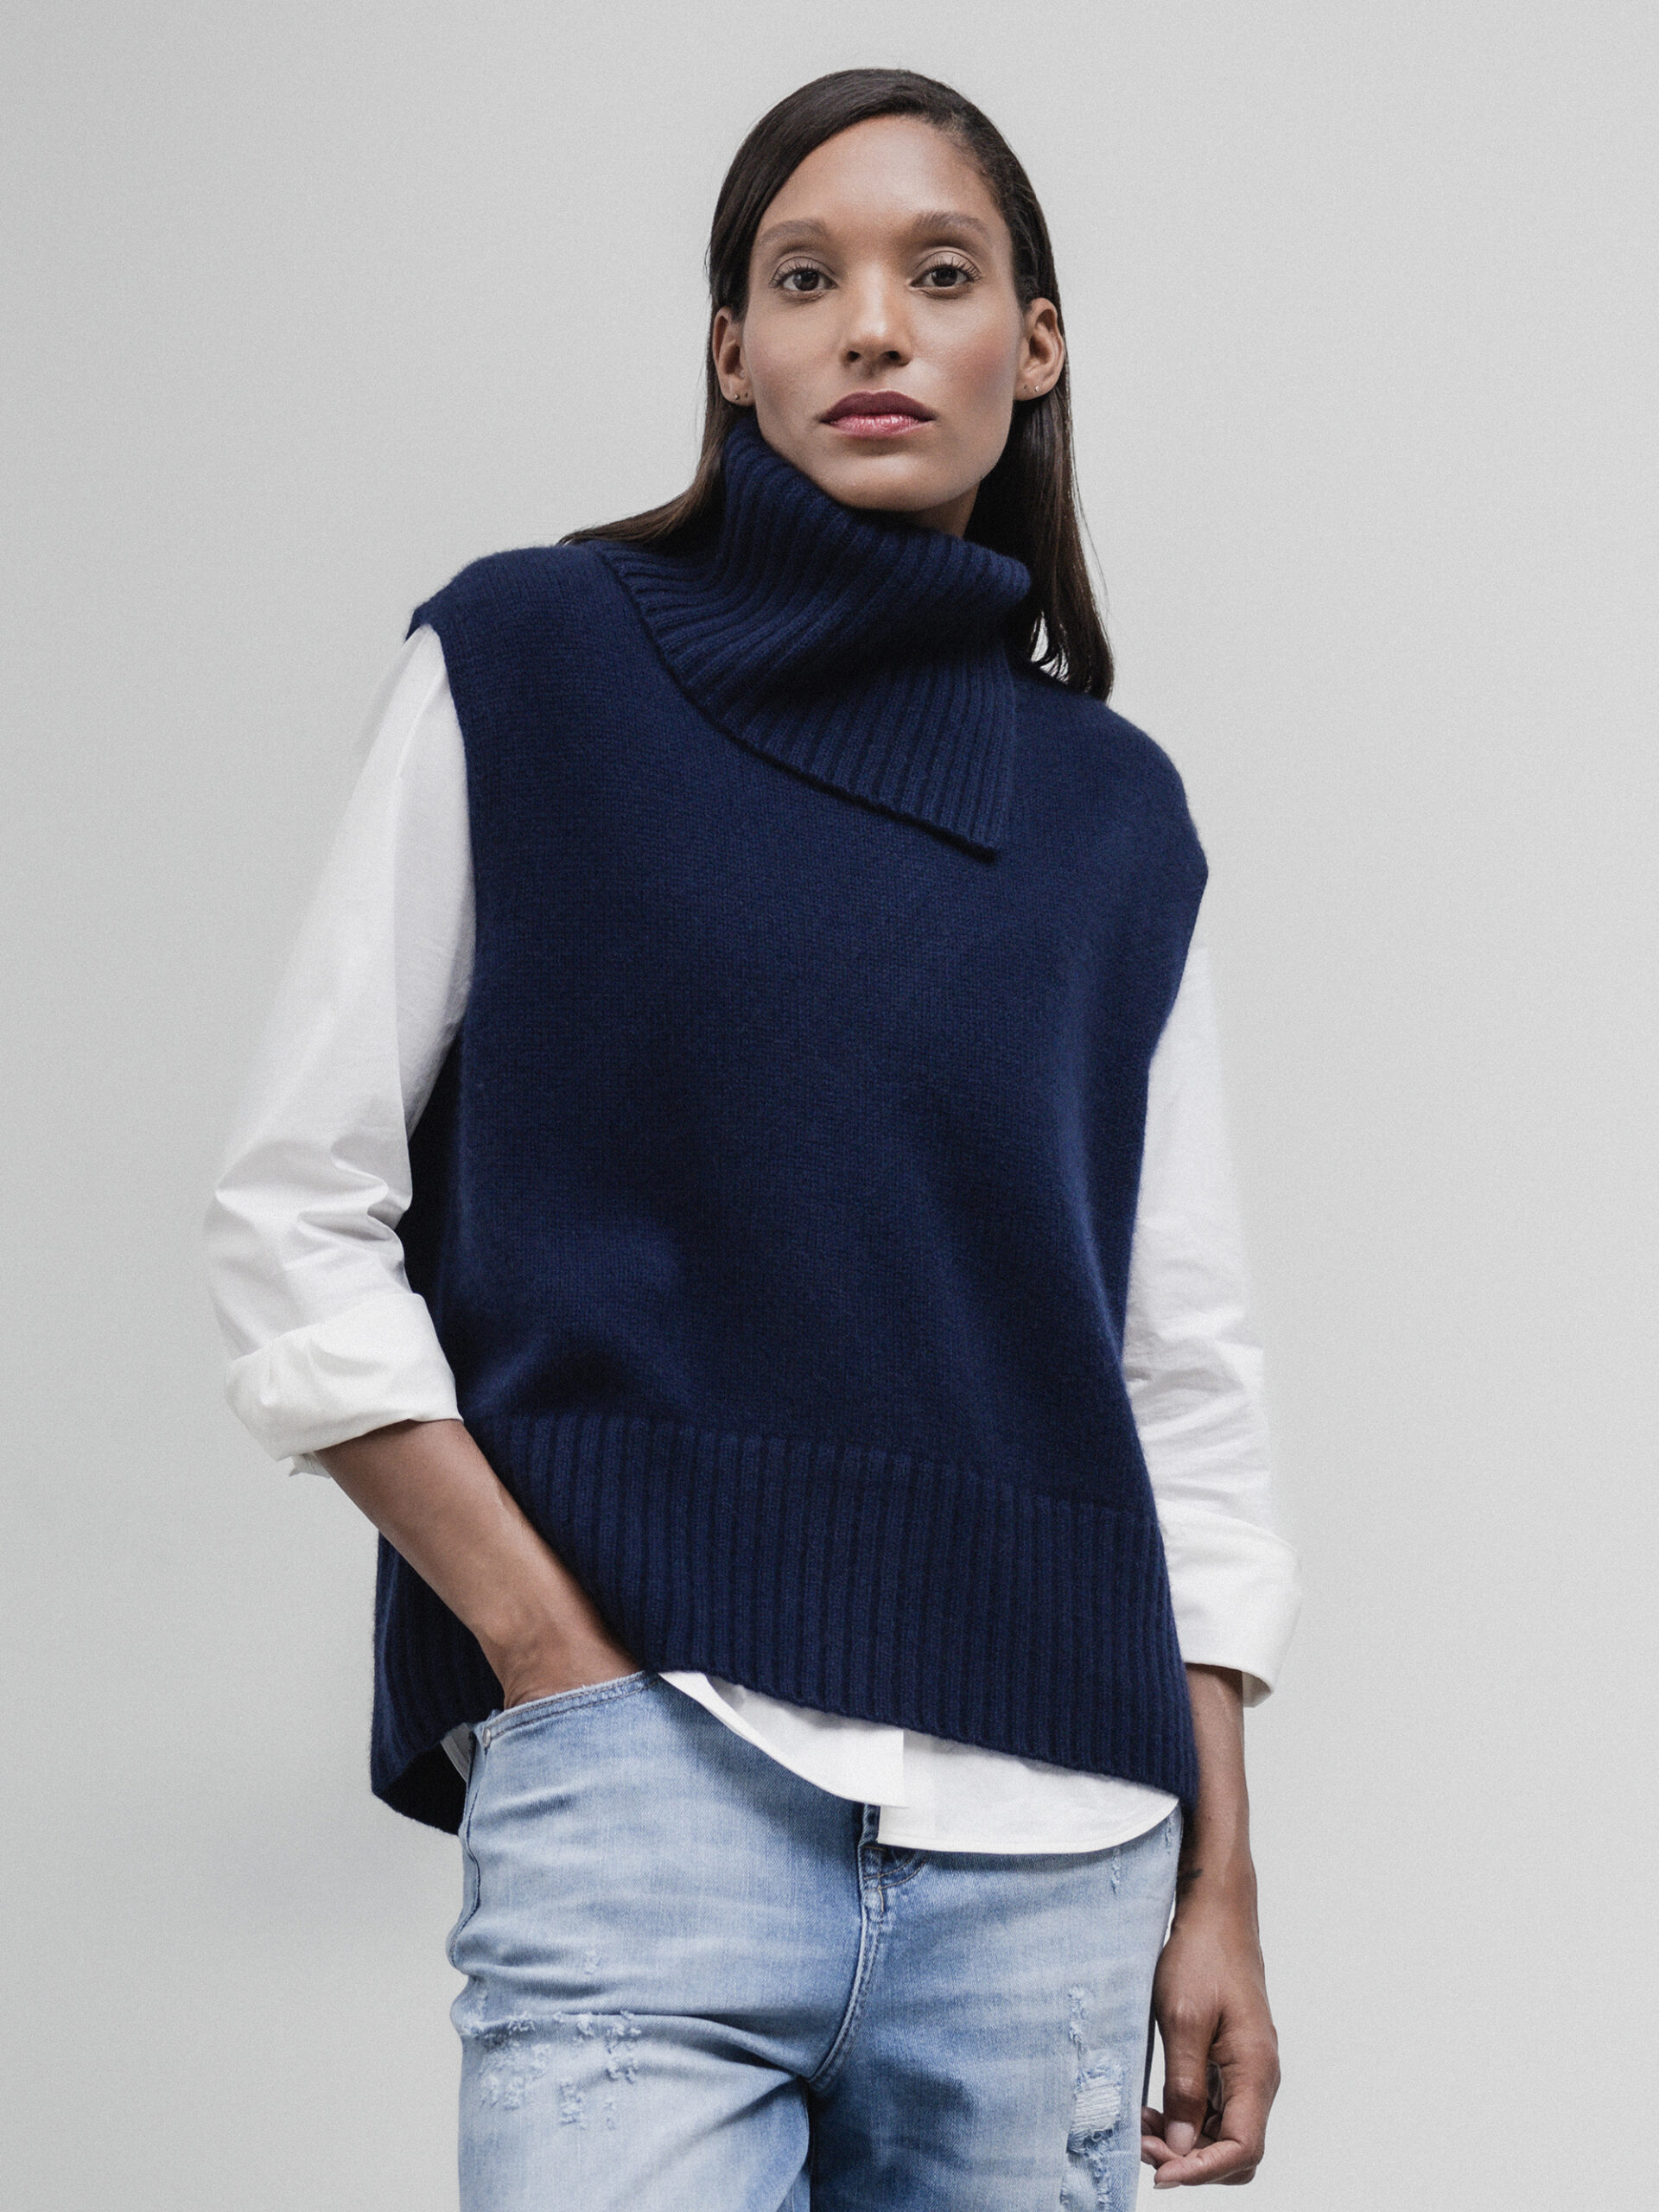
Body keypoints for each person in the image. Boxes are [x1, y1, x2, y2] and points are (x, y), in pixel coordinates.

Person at [205, 66, 1301, 2210]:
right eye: (806, 279)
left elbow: (1183, 1373)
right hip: (655, 1797)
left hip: (1061, 1863)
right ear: (732, 351)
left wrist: (1224, 1881)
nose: (872, 325)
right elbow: (291, 1214)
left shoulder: (1116, 817)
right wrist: (553, 1658)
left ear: (1035, 345)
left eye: (939, 274)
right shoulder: (530, 664)